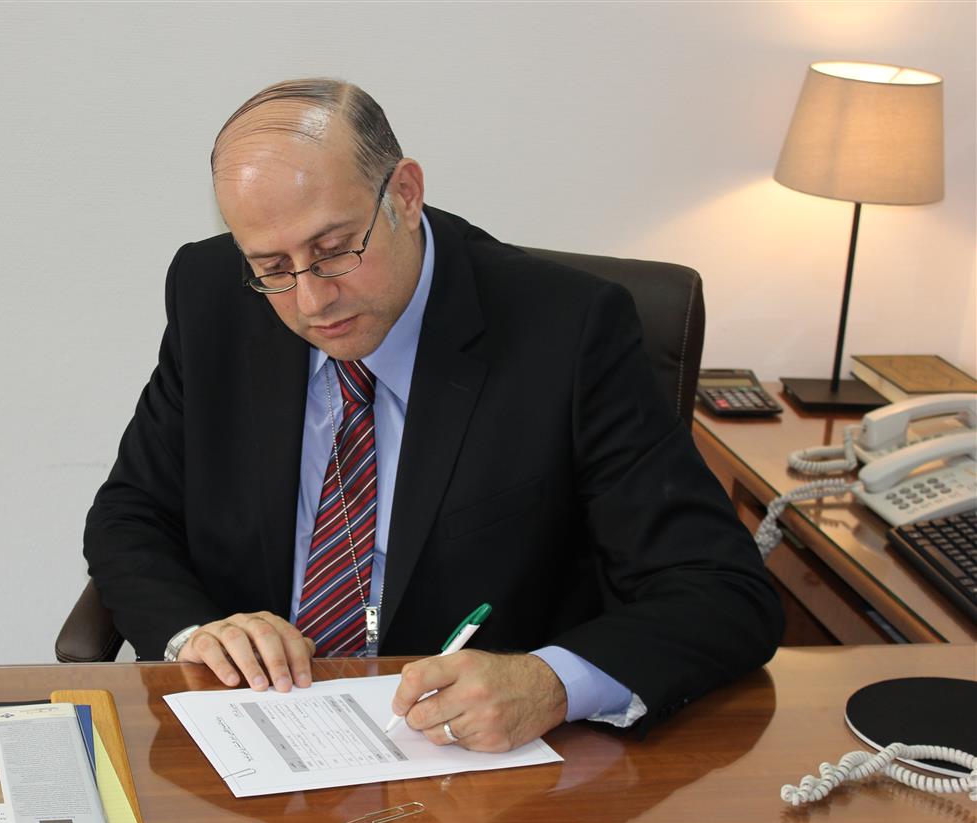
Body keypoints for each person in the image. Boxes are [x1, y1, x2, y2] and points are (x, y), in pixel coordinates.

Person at [84, 78, 782, 753]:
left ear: (405, 194)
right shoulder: (212, 293)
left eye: (334, 250)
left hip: (467, 761)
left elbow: (720, 592)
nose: (311, 301)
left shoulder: (567, 332)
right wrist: (195, 632)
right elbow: (131, 515)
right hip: (255, 736)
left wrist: (551, 682)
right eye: (272, 267)